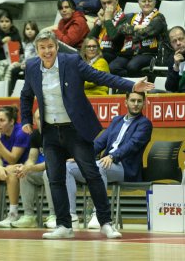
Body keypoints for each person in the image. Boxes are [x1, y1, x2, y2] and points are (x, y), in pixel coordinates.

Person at [20, 30, 154, 239]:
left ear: (57, 46)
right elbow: (26, 94)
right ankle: (64, 226)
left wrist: (132, 85)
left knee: (92, 175)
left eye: (50, 47)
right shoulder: (31, 67)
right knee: (55, 178)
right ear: (37, 50)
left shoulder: (71, 62)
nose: (47, 51)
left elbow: (101, 77)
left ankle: (106, 223)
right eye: (42, 48)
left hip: (75, 130)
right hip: (51, 132)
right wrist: (26, 120)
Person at [67, 91, 152, 229]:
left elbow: (133, 145)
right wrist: (81, 156)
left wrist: (113, 156)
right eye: (133, 100)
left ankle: (98, 215)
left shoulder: (145, 124)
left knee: (100, 167)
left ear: (143, 103)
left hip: (125, 168)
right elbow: (100, 142)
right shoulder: (116, 120)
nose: (136, 104)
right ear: (126, 102)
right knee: (68, 168)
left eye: (139, 101)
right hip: (106, 163)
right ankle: (71, 216)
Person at [10, 109, 56, 229]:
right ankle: (29, 217)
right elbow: (31, 158)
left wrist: (31, 167)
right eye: (39, 119)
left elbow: (53, 163)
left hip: (60, 172)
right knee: (24, 174)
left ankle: (54, 215)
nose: (42, 121)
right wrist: (25, 167)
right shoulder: (35, 135)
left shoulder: (56, 134)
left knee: (48, 173)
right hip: (42, 171)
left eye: (44, 118)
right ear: (35, 121)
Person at [109, 0, 168, 77]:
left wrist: (130, 30)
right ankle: (130, 83)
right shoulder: (131, 16)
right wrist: (136, 27)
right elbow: (120, 29)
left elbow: (145, 32)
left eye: (150, 1)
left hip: (148, 53)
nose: (146, 3)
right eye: (144, 1)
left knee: (132, 67)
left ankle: (140, 86)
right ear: (139, 3)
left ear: (155, 3)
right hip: (128, 52)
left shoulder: (159, 18)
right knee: (113, 67)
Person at [89, 0, 127, 64]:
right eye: (103, 3)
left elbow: (114, 38)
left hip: (113, 54)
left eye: (109, 2)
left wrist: (108, 20)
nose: (106, 6)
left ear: (116, 0)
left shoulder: (124, 18)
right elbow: (89, 40)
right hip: (98, 51)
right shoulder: (101, 17)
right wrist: (100, 22)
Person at [9, 20, 39, 95]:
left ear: (36, 31)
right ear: (24, 31)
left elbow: (39, 57)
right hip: (25, 65)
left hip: (35, 65)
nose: (30, 31)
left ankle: (29, 93)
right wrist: (20, 63)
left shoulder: (38, 42)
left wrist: (27, 64)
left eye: (32, 29)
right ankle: (12, 92)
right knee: (14, 70)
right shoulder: (24, 43)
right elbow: (24, 57)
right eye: (27, 29)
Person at [166, 26, 185, 92]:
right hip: (179, 95)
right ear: (171, 44)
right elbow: (170, 88)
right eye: (174, 41)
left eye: (181, 39)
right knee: (153, 92)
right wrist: (176, 67)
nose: (178, 43)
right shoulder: (172, 58)